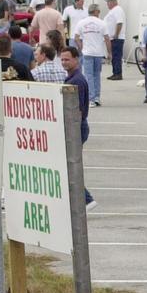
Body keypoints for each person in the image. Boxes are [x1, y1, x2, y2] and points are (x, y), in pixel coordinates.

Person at [59, 47, 96, 210]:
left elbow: (78, 110)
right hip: (75, 127)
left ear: (76, 59)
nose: (64, 62)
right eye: (62, 59)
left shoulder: (77, 81)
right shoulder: (72, 78)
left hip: (76, 128)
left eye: (67, 59)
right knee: (67, 165)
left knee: (70, 166)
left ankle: (86, 199)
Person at [75, 3, 110, 106]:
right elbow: (107, 39)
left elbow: (76, 37)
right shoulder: (102, 23)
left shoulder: (81, 23)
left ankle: (91, 98)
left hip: (87, 52)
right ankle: (97, 97)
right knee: (96, 75)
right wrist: (109, 53)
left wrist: (81, 47)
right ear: (96, 12)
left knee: (88, 75)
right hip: (98, 53)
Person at [105, 0, 126, 81]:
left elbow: (119, 23)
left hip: (117, 38)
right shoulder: (113, 10)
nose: (107, 4)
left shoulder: (117, 10)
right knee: (114, 56)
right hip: (112, 38)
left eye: (108, 2)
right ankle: (115, 72)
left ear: (113, 2)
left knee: (116, 56)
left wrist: (116, 34)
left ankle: (118, 73)